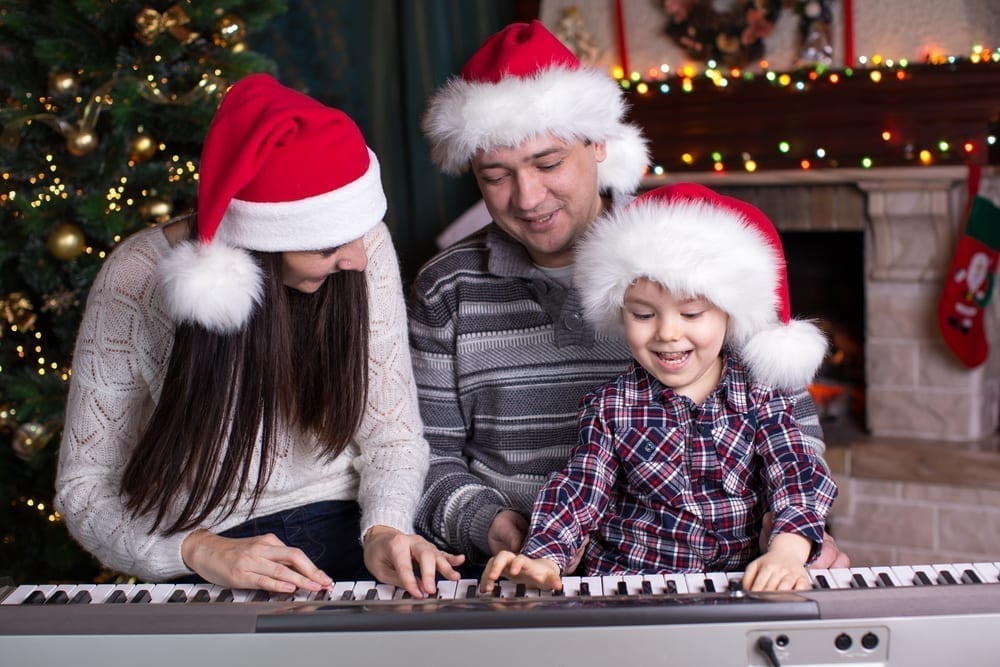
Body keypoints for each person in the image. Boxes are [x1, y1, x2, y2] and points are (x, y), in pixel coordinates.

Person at [410, 20, 849, 574]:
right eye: (496, 175)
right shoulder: (446, 287)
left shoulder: (688, 251)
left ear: (597, 145)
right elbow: (424, 461)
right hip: (527, 569)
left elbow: (790, 433)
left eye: (548, 164)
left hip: (717, 569)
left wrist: (795, 540)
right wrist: (502, 528)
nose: (527, 197)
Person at [55, 74, 462, 598]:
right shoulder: (135, 280)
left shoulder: (359, 247)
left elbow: (394, 437)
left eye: (360, 233)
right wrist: (196, 551)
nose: (358, 260)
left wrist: (385, 527)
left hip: (348, 530)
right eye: (325, 249)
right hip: (203, 552)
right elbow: (85, 488)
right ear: (257, 251)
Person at [480, 183, 837, 593]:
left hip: (735, 587)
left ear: (730, 313)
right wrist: (544, 556)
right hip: (629, 588)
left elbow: (797, 475)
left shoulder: (761, 397)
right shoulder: (611, 407)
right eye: (644, 314)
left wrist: (787, 553)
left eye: (691, 313)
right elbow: (580, 491)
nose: (668, 333)